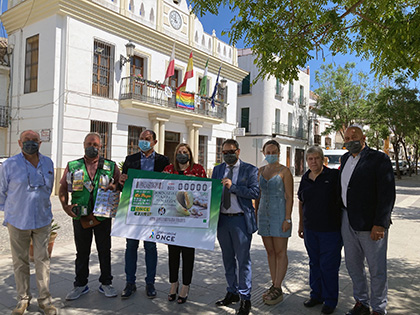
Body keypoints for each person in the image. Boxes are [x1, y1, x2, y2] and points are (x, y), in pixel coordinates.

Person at [0, 130, 57, 315]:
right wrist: (11, 211)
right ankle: (23, 300)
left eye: (34, 140)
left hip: (42, 220)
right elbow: (1, 192)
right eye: (27, 140)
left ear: (40, 143)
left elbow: (48, 189)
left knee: (43, 261)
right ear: (19, 142)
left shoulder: (48, 162)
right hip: (17, 221)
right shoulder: (9, 165)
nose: (30, 143)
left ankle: (45, 301)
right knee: (20, 262)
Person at [340, 126, 395, 315]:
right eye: (346, 138)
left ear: (363, 138)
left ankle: (378, 309)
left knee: (376, 269)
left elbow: (387, 194)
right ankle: (361, 302)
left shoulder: (379, 159)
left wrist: (380, 223)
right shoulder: (345, 158)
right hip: (347, 221)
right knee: (353, 265)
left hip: (371, 224)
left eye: (353, 137)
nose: (349, 140)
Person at [59, 132, 120, 300]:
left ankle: (106, 283)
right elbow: (63, 188)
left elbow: (120, 185)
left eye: (96, 145)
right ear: (84, 145)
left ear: (101, 147)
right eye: (89, 144)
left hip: (102, 216)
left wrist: (115, 187)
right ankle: (80, 285)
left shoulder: (110, 165)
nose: (92, 147)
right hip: (81, 216)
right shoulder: (73, 165)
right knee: (82, 251)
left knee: (104, 250)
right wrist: (65, 206)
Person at [119, 129, 169, 299]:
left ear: (154, 142)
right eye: (141, 139)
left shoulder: (163, 161)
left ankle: (150, 283)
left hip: (153, 212)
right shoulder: (130, 160)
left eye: (147, 139)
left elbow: (169, 184)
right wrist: (121, 181)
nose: (143, 141)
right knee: (131, 246)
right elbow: (122, 186)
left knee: (150, 247)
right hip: (134, 210)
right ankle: (130, 282)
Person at [212, 139, 259, 315]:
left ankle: (245, 297)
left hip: (240, 220)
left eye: (230, 152)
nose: (227, 155)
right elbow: (212, 192)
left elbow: (255, 192)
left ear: (238, 151)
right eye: (224, 152)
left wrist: (234, 187)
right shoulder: (217, 170)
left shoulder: (250, 169)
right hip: (222, 220)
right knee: (227, 259)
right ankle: (232, 292)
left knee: (243, 260)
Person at [298, 146, 342, 314]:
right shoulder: (305, 178)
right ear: (307, 161)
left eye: (317, 158)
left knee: (329, 266)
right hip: (311, 230)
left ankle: (330, 300)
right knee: (314, 263)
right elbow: (301, 202)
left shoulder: (333, 176)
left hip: (330, 230)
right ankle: (316, 295)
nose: (313, 161)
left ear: (323, 160)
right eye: (310, 159)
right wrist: (301, 224)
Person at [163, 143, 207, 304]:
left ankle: (185, 286)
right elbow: (160, 188)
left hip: (191, 221)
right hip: (172, 220)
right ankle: (173, 284)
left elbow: (206, 191)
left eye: (185, 152)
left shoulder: (198, 170)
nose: (182, 154)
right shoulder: (168, 170)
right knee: (173, 254)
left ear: (190, 154)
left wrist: (198, 182)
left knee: (188, 254)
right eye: (179, 152)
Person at [255, 139, 293, 305]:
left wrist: (288, 218)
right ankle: (273, 283)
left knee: (280, 251)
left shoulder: (285, 171)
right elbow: (258, 194)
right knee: (270, 251)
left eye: (273, 152)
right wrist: (256, 214)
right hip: (264, 213)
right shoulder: (260, 171)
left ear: (279, 153)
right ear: (264, 153)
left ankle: (278, 286)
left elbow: (290, 197)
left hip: (279, 213)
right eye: (268, 152)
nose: (270, 155)